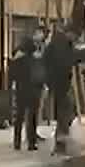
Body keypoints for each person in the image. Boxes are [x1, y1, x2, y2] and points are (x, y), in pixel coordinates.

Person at [42, 22, 77, 154]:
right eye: (75, 36)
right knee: (65, 113)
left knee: (65, 113)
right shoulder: (62, 46)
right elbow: (66, 63)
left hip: (57, 84)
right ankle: (60, 144)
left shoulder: (57, 44)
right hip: (62, 84)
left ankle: (60, 142)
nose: (75, 38)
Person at [10, 35, 45, 151]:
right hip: (34, 92)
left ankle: (17, 142)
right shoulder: (37, 62)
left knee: (19, 117)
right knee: (32, 117)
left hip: (21, 91)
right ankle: (31, 142)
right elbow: (41, 77)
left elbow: (11, 77)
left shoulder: (17, 62)